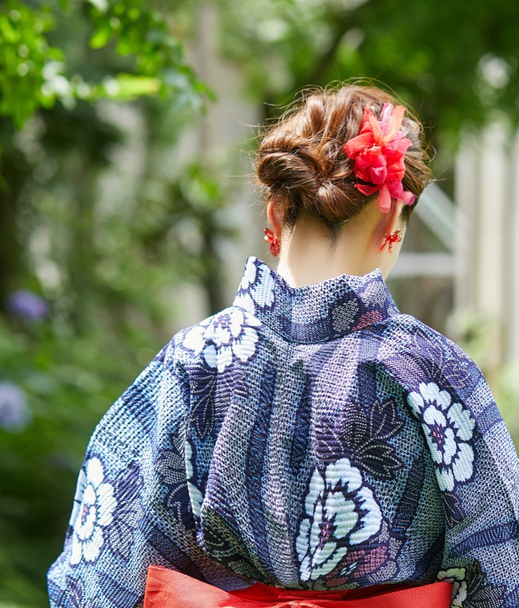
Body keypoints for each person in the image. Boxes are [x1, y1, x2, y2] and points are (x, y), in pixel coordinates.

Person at [47, 84, 519, 607]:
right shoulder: (429, 369)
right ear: (391, 224)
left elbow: (101, 568)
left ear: (274, 213)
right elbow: (504, 561)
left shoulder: (193, 360)